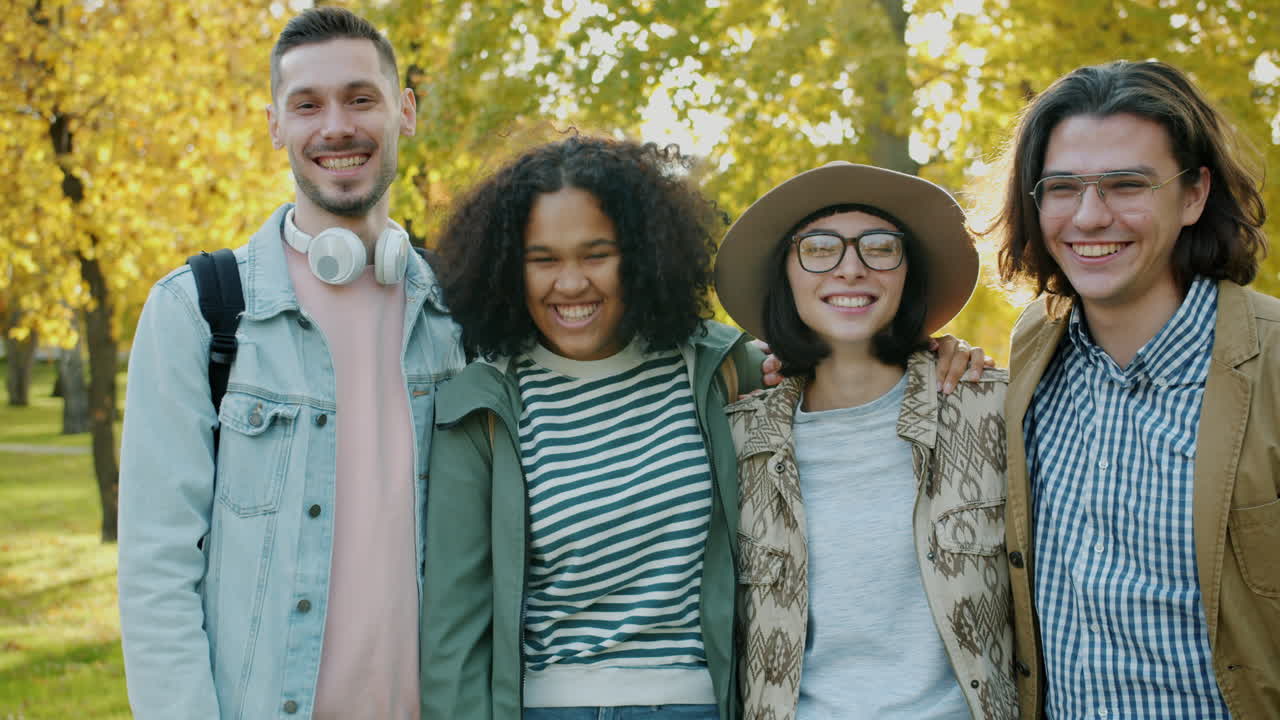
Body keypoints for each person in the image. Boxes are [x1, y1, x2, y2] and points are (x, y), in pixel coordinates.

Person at [117, 8, 463, 719]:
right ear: (275, 124)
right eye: (308, 104)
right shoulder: (200, 312)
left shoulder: (460, 318)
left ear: (406, 112)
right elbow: (157, 571)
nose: (336, 126)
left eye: (360, 98)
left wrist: (752, 363)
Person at [420, 135, 762, 720]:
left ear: (641, 253)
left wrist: (935, 354)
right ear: (509, 266)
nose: (571, 283)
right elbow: (454, 632)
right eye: (544, 259)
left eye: (596, 254)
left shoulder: (723, 369)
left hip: (700, 705)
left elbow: (856, 385)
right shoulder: (483, 404)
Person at [988, 59, 1278, 718]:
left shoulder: (1271, 365)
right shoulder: (1034, 352)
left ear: (1195, 194)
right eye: (1062, 186)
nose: (1090, 217)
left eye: (1126, 184)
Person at [714, 162, 1018, 720]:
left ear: (909, 274)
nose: (851, 269)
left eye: (880, 248)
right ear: (786, 275)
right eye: (819, 249)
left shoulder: (991, 410)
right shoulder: (738, 440)